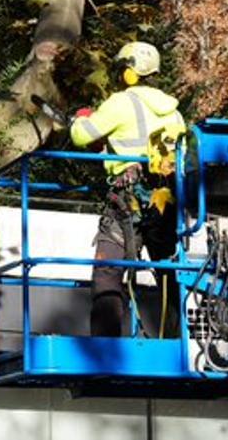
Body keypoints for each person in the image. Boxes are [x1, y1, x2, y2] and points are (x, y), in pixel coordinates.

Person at [70, 41, 186, 338]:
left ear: (130, 73)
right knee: (168, 272)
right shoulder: (174, 111)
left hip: (127, 199)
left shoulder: (121, 102)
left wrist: (81, 119)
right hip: (165, 200)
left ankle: (106, 347)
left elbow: (82, 136)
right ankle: (175, 342)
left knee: (108, 272)